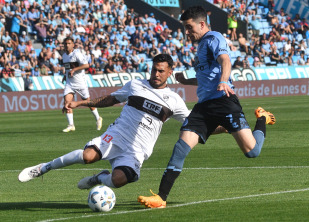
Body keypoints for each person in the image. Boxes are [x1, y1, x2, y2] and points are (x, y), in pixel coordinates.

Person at [138, 6, 276, 209]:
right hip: (203, 106)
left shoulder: (214, 38)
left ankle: (262, 118)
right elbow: (207, 76)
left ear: (201, 24)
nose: (186, 32)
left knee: (252, 152)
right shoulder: (201, 44)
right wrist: (188, 81)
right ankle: (161, 197)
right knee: (181, 146)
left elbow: (225, 60)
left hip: (223, 100)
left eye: (189, 27)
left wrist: (224, 81)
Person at [18, 54, 196, 190]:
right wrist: (80, 103)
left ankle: (99, 178)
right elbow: (110, 99)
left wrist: (223, 126)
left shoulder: (174, 100)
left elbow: (196, 124)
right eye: (154, 70)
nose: (156, 74)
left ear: (170, 72)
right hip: (117, 135)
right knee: (87, 156)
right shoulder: (136, 85)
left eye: (161, 71)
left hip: (138, 149)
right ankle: (44, 168)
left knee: (117, 180)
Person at [61, 37, 102, 132]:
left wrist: (74, 70)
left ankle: (98, 118)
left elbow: (86, 65)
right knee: (67, 103)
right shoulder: (64, 56)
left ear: (72, 44)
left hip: (80, 83)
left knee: (88, 102)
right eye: (65, 43)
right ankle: (71, 125)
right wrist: (65, 75)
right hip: (70, 83)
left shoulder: (77, 54)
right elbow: (68, 67)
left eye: (69, 43)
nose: (67, 45)